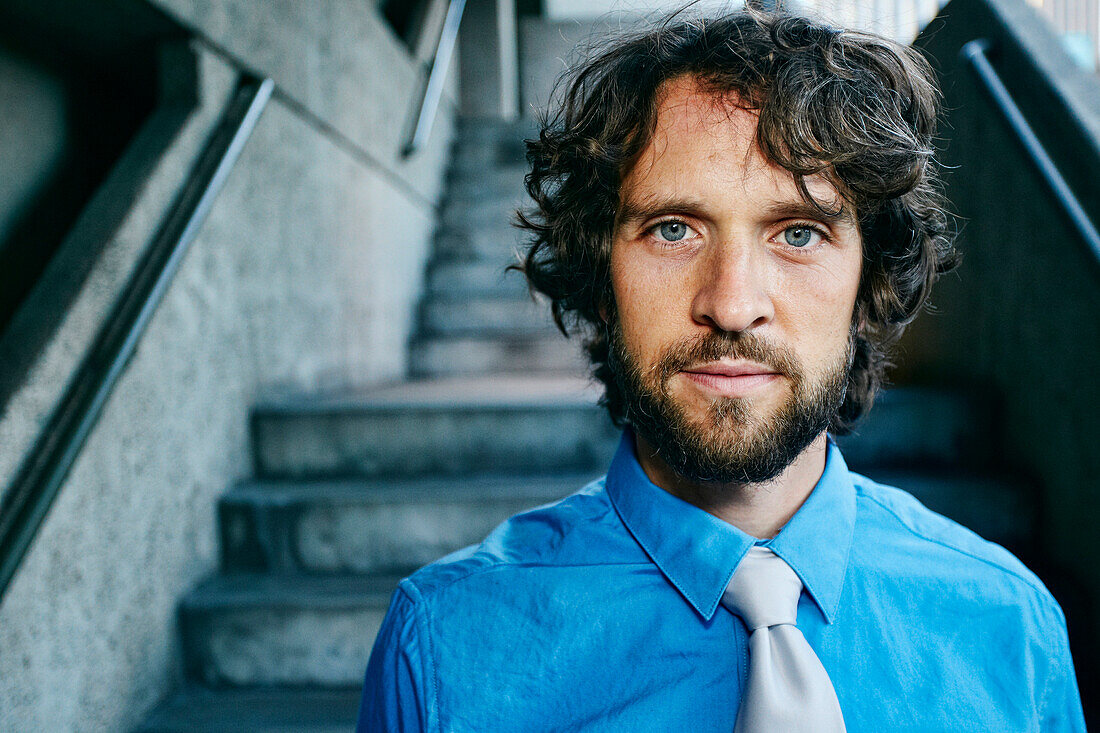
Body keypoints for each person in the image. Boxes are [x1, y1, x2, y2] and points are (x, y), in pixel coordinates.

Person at [358, 9, 1086, 731]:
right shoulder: (442, 646)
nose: (733, 304)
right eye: (673, 229)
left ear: (869, 288)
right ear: (602, 281)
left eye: (798, 232)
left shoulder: (1011, 626)